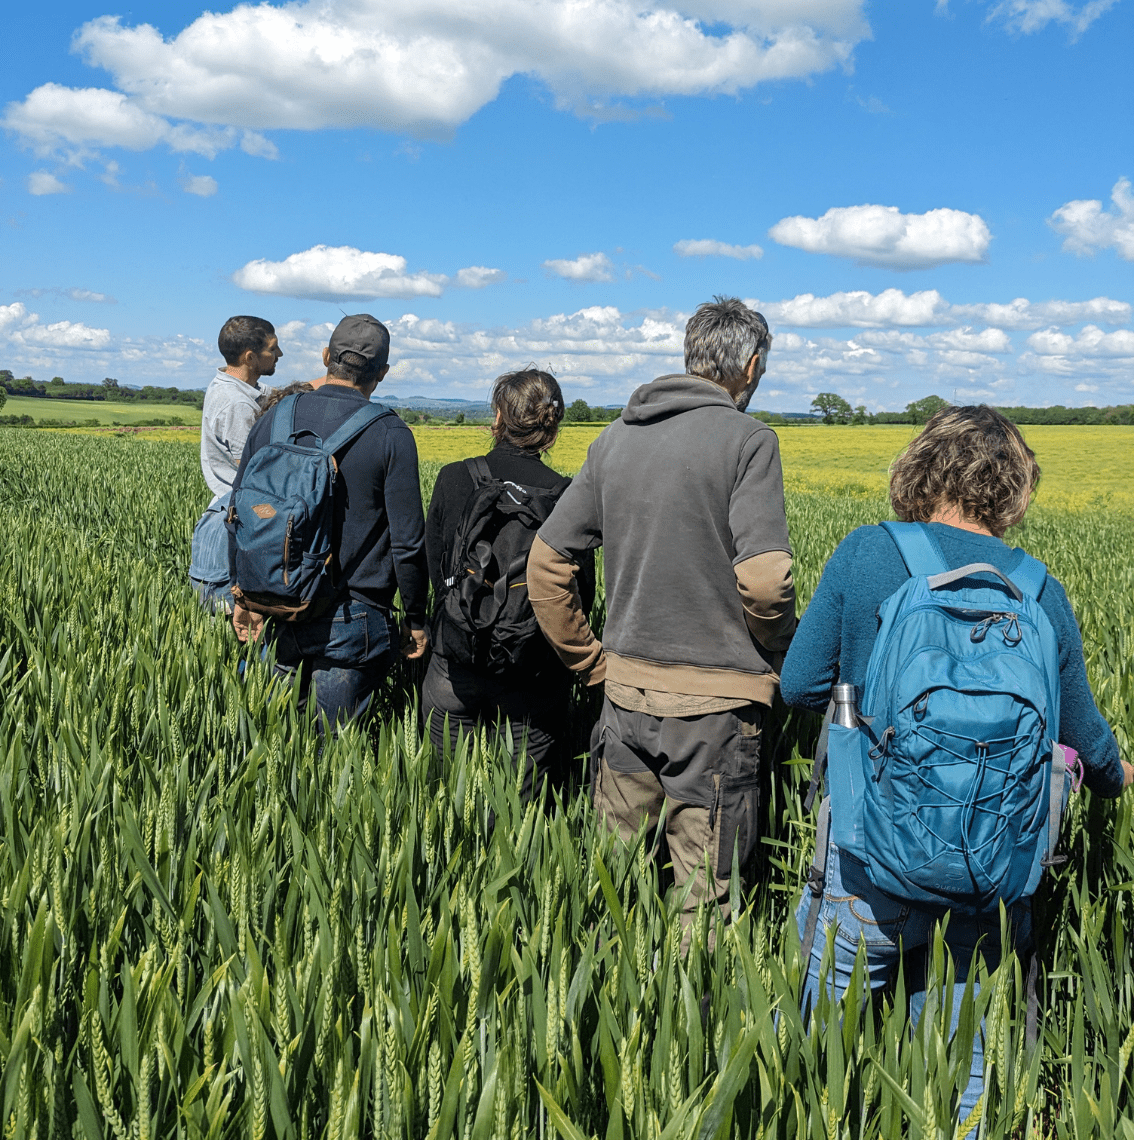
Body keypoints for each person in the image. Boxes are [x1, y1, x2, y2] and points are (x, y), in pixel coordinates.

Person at [780, 404, 1133, 1118]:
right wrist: (1118, 777)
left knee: (814, 1068)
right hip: (988, 872)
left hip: (862, 864)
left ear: (919, 468)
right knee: (962, 1079)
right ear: (1014, 488)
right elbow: (1083, 736)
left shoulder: (867, 552)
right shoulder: (1035, 587)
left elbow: (800, 684)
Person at [527, 297, 796, 935]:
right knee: (705, 898)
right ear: (751, 366)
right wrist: (779, 653)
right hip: (715, 714)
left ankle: (599, 1017)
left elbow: (545, 563)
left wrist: (589, 662)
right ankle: (691, 1027)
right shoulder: (748, 440)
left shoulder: (615, 438)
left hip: (622, 700)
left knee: (613, 881)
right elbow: (764, 581)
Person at [228, 314, 428, 726]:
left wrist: (241, 596)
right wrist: (417, 618)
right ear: (383, 373)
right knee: (333, 762)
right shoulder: (391, 433)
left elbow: (238, 513)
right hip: (354, 619)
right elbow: (407, 542)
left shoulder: (274, 418)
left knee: (276, 747)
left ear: (325, 357)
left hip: (279, 605)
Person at [421, 368, 594, 800]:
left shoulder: (454, 477)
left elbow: (434, 565)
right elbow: (581, 593)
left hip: (456, 660)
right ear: (552, 430)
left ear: (497, 418)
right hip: (533, 669)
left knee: (445, 795)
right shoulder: (568, 497)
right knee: (519, 807)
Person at [189, 316, 283, 612]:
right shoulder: (237, 405)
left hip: (227, 515)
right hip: (236, 524)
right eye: (273, 349)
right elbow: (256, 476)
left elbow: (279, 393)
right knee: (236, 627)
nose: (279, 355)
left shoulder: (231, 385)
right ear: (250, 357)